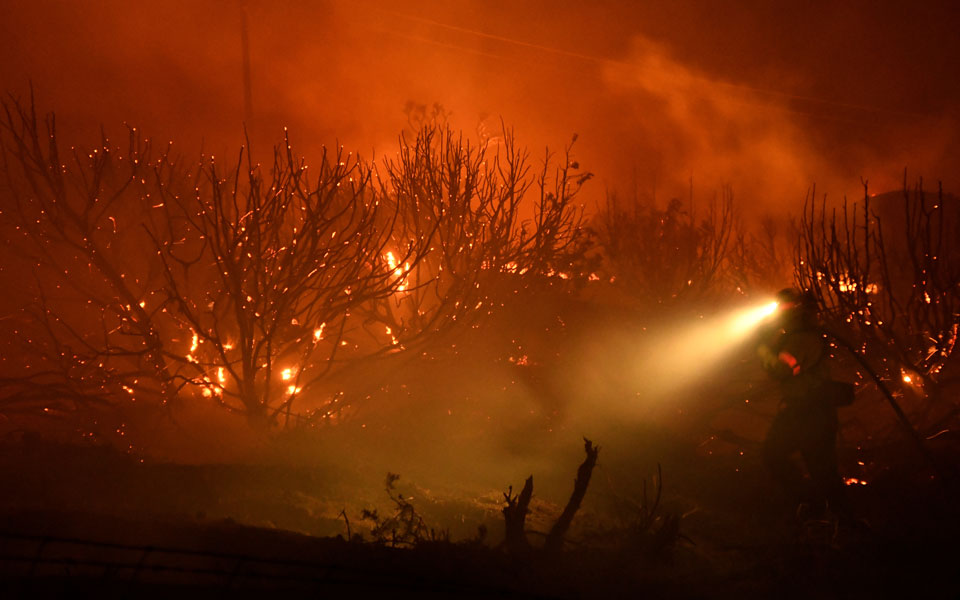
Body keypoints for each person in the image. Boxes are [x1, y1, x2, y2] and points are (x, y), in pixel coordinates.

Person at [757, 287, 854, 526]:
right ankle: (821, 510)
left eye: (783, 308)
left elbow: (781, 370)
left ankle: (839, 519)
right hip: (802, 411)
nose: (778, 313)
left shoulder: (803, 338)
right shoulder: (796, 335)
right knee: (788, 458)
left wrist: (761, 348)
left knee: (818, 469)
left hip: (811, 413)